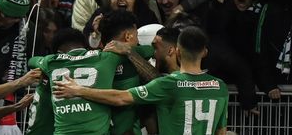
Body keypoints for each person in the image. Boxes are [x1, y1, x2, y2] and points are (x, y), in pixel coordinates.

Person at [54, 26, 229, 135]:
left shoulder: (169, 84)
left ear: (177, 51)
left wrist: (79, 90)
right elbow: (221, 132)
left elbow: (121, 98)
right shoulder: (220, 87)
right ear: (204, 52)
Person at [28, 10, 140, 134]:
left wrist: (44, 67)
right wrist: (126, 48)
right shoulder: (105, 58)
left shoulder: (49, 62)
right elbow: (146, 51)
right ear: (85, 46)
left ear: (58, 52)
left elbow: (32, 61)